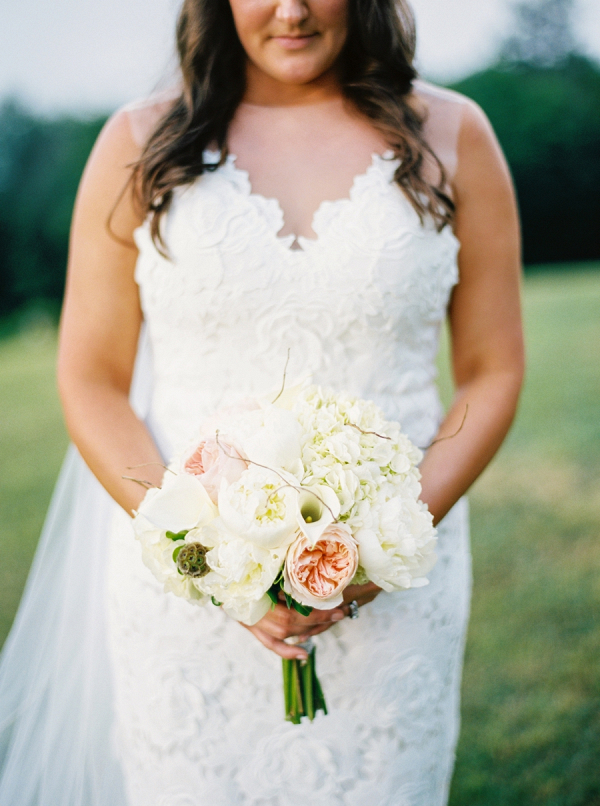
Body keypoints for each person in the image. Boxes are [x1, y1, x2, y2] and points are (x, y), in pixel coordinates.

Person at [0, 0, 524, 804]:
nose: (291, 9)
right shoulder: (139, 144)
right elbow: (92, 378)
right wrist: (208, 559)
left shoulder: (454, 135)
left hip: (394, 589)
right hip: (184, 601)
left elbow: (492, 369)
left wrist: (385, 541)